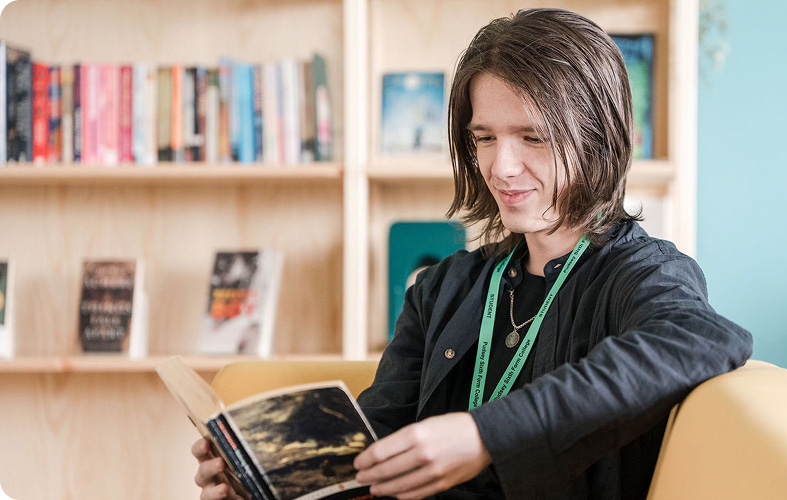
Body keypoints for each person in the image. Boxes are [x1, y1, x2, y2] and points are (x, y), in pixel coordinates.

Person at [193, 8, 752, 500]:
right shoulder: (445, 286)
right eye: (484, 138)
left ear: (601, 138)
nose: (501, 167)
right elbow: (377, 436)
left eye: (533, 138)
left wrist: (486, 435)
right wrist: (271, 474)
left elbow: (702, 339)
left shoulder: (640, 273)